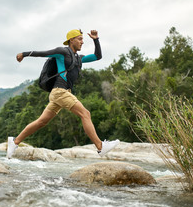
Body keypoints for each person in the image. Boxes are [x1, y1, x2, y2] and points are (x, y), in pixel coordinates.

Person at [7, 29, 119, 158]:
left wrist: (96, 40)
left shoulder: (78, 58)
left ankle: (14, 142)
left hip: (60, 94)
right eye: (80, 39)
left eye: (83, 39)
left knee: (41, 122)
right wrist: (24, 54)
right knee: (85, 113)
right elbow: (43, 53)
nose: (82, 42)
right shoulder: (63, 52)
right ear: (72, 40)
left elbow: (97, 56)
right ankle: (100, 147)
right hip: (60, 92)